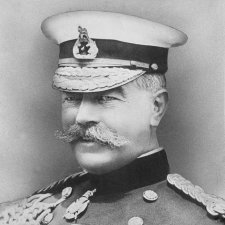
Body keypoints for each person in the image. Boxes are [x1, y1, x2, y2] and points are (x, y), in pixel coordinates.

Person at [0, 11, 224, 225]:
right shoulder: (34, 213)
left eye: (104, 98)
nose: (82, 116)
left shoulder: (196, 220)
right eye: (72, 98)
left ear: (156, 107)